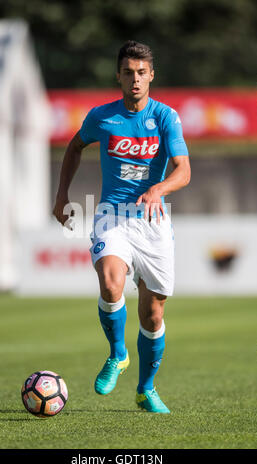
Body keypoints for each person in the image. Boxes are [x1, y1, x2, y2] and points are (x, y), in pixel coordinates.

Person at [53, 40, 191, 413]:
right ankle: (117, 355)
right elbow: (75, 147)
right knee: (111, 283)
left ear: (151, 76)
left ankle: (146, 389)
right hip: (112, 216)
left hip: (153, 222)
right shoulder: (102, 116)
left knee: (153, 313)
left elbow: (184, 170)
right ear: (118, 75)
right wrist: (62, 195)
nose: (135, 79)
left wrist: (158, 188)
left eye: (141, 73)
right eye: (128, 72)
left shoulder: (165, 117)